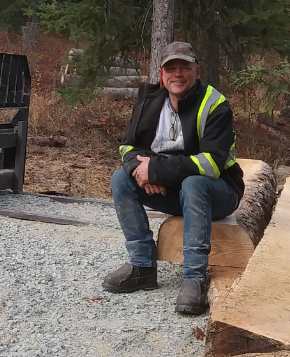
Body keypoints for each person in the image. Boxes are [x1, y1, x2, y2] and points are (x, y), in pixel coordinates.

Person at [102, 42, 245, 315]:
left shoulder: (216, 105)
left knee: (194, 183)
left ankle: (194, 277)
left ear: (197, 71)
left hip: (219, 192)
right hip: (174, 190)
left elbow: (211, 164)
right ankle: (142, 265)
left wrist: (155, 171)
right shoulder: (150, 101)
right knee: (121, 179)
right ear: (161, 74)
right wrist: (139, 171)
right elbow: (128, 147)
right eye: (171, 68)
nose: (177, 74)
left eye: (184, 68)